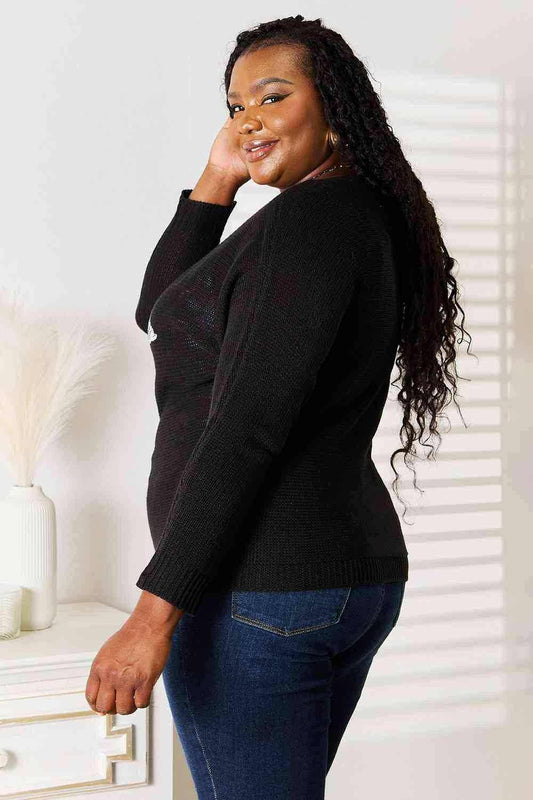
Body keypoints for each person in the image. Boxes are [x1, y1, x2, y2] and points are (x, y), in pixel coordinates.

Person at [86, 15, 471, 799]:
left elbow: (247, 427)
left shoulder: (310, 221)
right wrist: (217, 178)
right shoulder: (343, 215)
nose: (248, 119)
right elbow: (162, 310)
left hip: (261, 589)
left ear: (332, 104)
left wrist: (152, 615)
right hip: (332, 578)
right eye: (235, 107)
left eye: (272, 96)